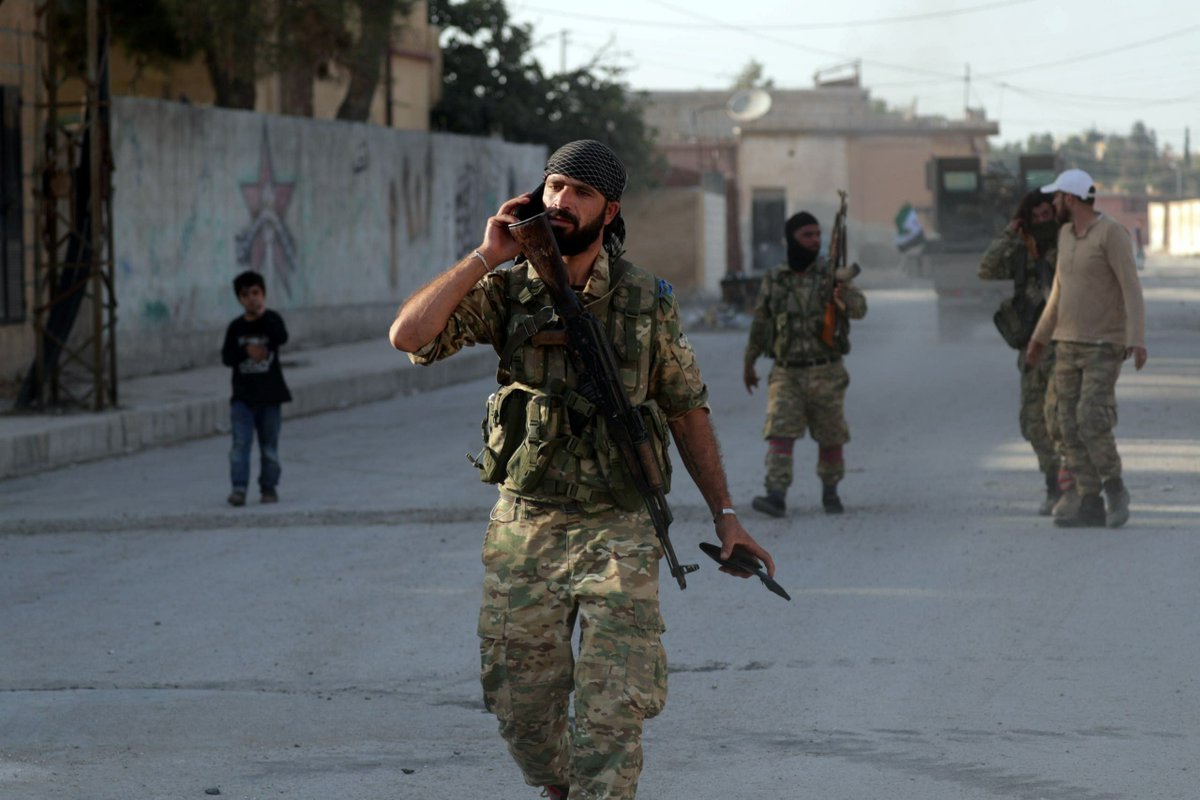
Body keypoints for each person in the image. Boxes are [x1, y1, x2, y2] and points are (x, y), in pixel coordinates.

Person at [388, 139, 775, 800]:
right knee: (523, 713)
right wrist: (487, 254)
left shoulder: (645, 300)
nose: (562, 203)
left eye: (580, 193)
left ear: (609, 209)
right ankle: (561, 788)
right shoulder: (508, 289)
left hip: (620, 526)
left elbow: (687, 410)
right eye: (555, 187)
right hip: (525, 527)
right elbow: (410, 337)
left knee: (611, 714)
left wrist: (727, 516)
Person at [1027, 169, 1147, 528]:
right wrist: (1038, 339)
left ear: (1072, 198)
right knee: (1067, 423)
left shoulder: (1111, 234)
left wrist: (1136, 338)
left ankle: (1115, 489)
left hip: (1103, 344)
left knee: (1090, 419)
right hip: (1067, 343)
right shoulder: (1065, 235)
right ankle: (1090, 502)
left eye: (1058, 196)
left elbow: (1131, 289)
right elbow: (1059, 295)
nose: (1053, 202)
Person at [744, 211, 867, 517]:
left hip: (826, 369)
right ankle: (775, 494)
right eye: (806, 235)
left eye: (817, 235)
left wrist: (844, 297)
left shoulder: (831, 274)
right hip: (787, 371)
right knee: (780, 432)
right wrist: (749, 362)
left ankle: (831, 493)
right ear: (792, 239)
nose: (814, 241)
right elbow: (761, 323)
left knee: (830, 435)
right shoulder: (775, 279)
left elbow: (860, 309)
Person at [979, 189, 1072, 515]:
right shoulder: (1021, 251)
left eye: (1048, 214)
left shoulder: (1069, 245)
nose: (1043, 221)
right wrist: (1010, 232)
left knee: (1060, 419)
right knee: (1033, 422)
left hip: (1064, 346)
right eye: (1036, 217)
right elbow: (987, 269)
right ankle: (1051, 484)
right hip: (1032, 348)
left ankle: (1070, 488)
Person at [221, 270, 291, 506]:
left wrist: (263, 317)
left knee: (269, 447)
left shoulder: (272, 320)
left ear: (263, 294)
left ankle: (268, 488)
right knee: (240, 445)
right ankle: (239, 489)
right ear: (239, 299)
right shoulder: (236, 328)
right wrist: (245, 351)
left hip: (270, 397)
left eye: (256, 293)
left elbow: (281, 337)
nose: (252, 298)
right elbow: (227, 357)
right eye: (245, 295)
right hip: (242, 398)